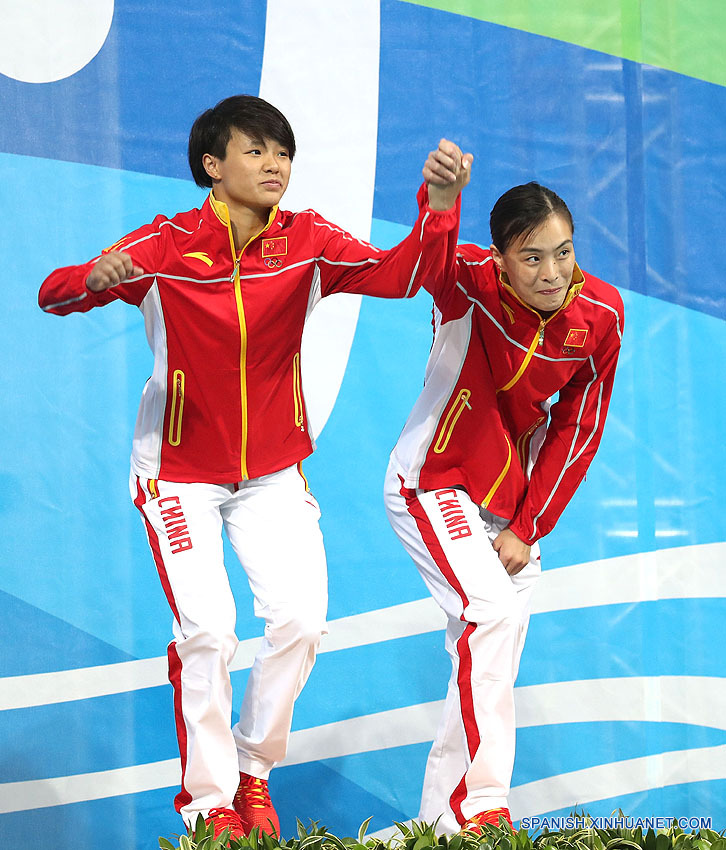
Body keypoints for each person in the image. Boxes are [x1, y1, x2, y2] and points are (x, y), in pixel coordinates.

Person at [38, 96, 469, 842]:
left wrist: (438, 205)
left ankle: (252, 773)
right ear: (213, 164)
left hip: (271, 473)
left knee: (301, 623)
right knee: (208, 630)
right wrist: (95, 278)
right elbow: (56, 292)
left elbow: (406, 276)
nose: (275, 166)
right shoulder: (168, 245)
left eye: (283, 153)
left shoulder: (307, 242)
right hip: (176, 473)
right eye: (256, 152)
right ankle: (209, 806)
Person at [384, 155, 624, 833]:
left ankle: (442, 826)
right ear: (500, 257)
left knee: (492, 658)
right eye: (532, 258)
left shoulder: (601, 315)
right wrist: (439, 199)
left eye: (564, 253)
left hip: (510, 508)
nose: (552, 273)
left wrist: (528, 526)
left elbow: (579, 430)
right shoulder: (466, 281)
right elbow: (422, 268)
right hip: (433, 479)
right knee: (489, 618)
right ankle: (485, 809)